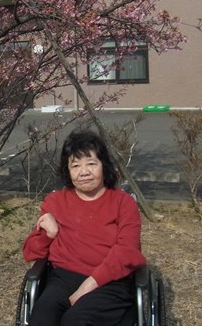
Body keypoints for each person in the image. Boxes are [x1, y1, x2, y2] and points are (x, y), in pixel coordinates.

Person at [22, 130, 146, 326]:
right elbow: (30, 252)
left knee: (76, 320)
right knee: (42, 317)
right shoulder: (56, 201)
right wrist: (49, 234)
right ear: (67, 170)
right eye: (75, 166)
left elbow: (127, 251)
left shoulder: (122, 202)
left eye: (91, 164)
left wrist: (89, 285)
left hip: (110, 281)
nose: (84, 172)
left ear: (104, 166)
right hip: (63, 279)